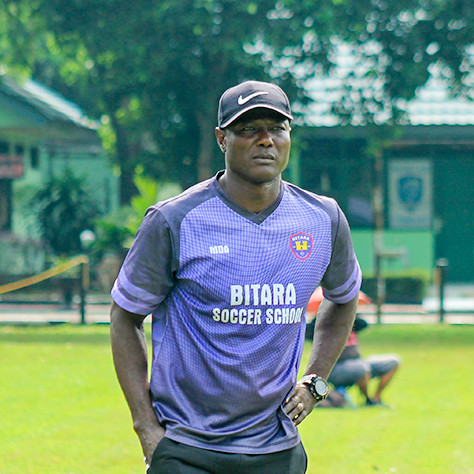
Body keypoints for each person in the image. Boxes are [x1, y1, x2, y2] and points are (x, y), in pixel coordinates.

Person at [110, 80, 362, 473]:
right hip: (186, 446)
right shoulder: (174, 220)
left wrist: (315, 382)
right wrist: (146, 427)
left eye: (276, 128)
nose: (265, 140)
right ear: (221, 139)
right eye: (248, 129)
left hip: (277, 447)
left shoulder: (322, 218)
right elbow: (125, 318)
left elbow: (344, 298)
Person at [327, 316, 400, 407]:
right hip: (337, 368)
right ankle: (368, 400)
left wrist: (348, 314)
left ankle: (376, 399)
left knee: (393, 361)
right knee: (361, 368)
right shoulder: (323, 325)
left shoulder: (350, 321)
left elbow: (363, 324)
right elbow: (311, 333)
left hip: (359, 361)